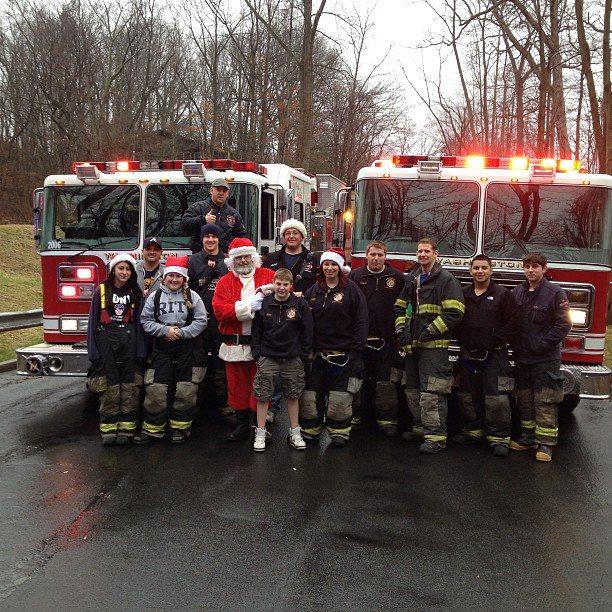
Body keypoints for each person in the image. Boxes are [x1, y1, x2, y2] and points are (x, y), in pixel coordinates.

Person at [394, 238, 465, 454]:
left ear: (436, 254)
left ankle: (436, 436)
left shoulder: (446, 280)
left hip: (434, 346)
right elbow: (400, 307)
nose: (422, 255)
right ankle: (420, 428)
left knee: (432, 391)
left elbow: (455, 312)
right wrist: (401, 331)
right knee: (413, 390)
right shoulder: (412, 278)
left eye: (427, 251)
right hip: (412, 346)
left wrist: (430, 331)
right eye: (420, 251)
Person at [135, 256, 207, 444]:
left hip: (187, 348)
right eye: (171, 276)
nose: (174, 279)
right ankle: (152, 430)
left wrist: (181, 333)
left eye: (178, 276)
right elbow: (145, 320)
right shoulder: (155, 296)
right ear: (164, 278)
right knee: (156, 390)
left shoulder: (193, 297)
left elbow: (201, 320)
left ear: (184, 279)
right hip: (162, 347)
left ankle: (180, 429)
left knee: (185, 390)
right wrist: (165, 330)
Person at [454, 255, 521, 457]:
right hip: (468, 353)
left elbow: (513, 323)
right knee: (467, 394)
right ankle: (472, 431)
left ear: (491, 270)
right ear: (470, 271)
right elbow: (455, 319)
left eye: (484, 268)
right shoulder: (462, 294)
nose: (480, 271)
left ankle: (499, 438)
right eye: (476, 268)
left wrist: (494, 341)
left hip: (494, 354)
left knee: (496, 397)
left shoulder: (503, 295)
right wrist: (463, 340)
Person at [300, 249, 368, 447]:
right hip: (317, 354)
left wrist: (356, 351)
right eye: (326, 264)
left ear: (340, 267)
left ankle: (339, 431)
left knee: (340, 397)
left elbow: (361, 321)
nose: (329, 268)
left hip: (343, 354)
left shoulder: (351, 290)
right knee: (311, 395)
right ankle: (310, 428)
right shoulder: (314, 290)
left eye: (333, 264)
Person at [212, 238, 275, 441]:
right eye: (239, 257)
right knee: (237, 387)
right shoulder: (224, 282)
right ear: (232, 261)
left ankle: (260, 427)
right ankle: (242, 425)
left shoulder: (268, 276)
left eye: (246, 256)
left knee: (261, 386)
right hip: (235, 344)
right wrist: (249, 307)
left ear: (253, 257)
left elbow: (283, 295)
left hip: (263, 345)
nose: (243, 260)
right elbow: (220, 311)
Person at [510, 252, 571, 462]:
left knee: (545, 400)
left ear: (544, 269)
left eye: (535, 266)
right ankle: (528, 437)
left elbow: (564, 324)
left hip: (545, 358)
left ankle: (546, 444)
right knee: (524, 399)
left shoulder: (555, 293)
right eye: (527, 266)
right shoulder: (517, 292)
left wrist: (542, 345)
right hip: (522, 357)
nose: (530, 270)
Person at [87, 253, 147, 446]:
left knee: (130, 387)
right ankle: (109, 430)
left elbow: (139, 324)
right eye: (121, 268)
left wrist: (141, 351)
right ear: (113, 270)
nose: (124, 272)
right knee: (109, 387)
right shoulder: (101, 291)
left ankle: (127, 430)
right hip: (106, 344)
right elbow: (92, 323)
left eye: (128, 269)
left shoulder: (136, 293)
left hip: (129, 343)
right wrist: (93, 351)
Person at [261, 218, 317, 424]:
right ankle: (273, 407)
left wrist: (305, 295)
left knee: (296, 366)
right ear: (283, 237)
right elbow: (267, 282)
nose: (291, 236)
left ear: (302, 236)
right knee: (275, 364)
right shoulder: (273, 258)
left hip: (303, 314)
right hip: (277, 316)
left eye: (296, 233)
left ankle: (299, 409)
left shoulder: (312, 259)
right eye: (288, 233)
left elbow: (320, 282)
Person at [251, 268, 313, 451]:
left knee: (293, 396)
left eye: (286, 284)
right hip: (268, 357)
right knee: (263, 396)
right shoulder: (264, 304)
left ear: (291, 285)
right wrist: (257, 354)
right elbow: (256, 332)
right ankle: (260, 432)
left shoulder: (299, 304)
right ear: (273, 283)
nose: (282, 288)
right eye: (278, 284)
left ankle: (295, 432)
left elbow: (307, 331)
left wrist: (302, 355)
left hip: (292, 358)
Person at [349, 241, 405, 437]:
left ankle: (387, 421)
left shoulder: (396, 278)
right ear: (366, 255)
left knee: (385, 382)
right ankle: (355, 417)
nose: (376, 258)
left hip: (386, 340)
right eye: (373, 254)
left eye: (380, 255)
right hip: (360, 340)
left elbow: (404, 306)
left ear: (385, 257)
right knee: (357, 380)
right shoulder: (355, 276)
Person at [187, 224, 234, 425]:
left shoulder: (228, 262)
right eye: (207, 237)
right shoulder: (193, 261)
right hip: (199, 321)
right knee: (197, 363)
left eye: (214, 236)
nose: (210, 240)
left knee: (221, 364)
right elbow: (186, 289)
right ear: (202, 239)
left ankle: (226, 406)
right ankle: (194, 405)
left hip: (221, 322)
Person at [180, 178, 247, 253]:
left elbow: (241, 237)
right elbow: (184, 225)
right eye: (218, 189)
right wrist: (203, 219)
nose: (221, 193)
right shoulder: (198, 207)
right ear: (211, 190)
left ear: (228, 194)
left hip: (225, 258)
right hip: (201, 259)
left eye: (224, 191)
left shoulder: (234, 214)